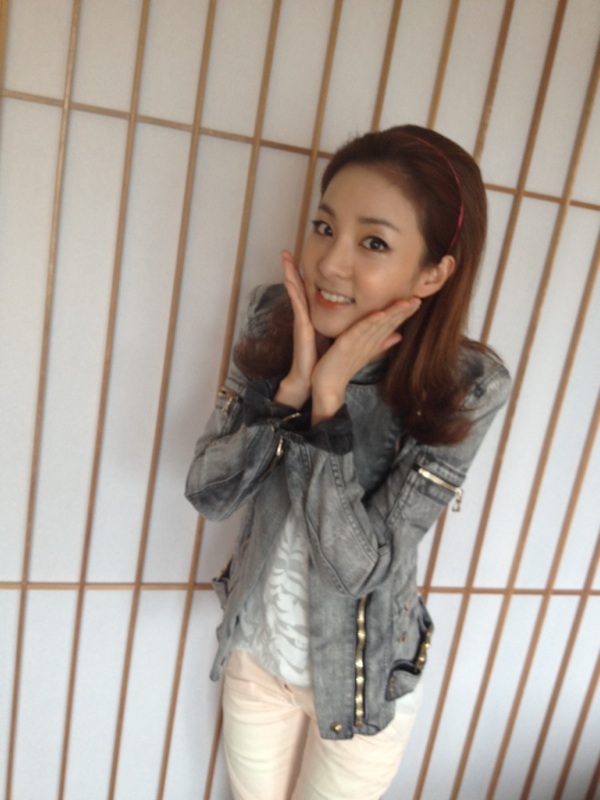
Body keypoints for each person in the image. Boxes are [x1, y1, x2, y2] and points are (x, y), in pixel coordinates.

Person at [185, 124, 511, 799]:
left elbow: (358, 569)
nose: (330, 263)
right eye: (324, 227)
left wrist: (328, 405)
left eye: (373, 243)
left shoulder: (465, 384)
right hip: (256, 657)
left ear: (433, 273)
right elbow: (209, 493)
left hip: (361, 685)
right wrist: (292, 392)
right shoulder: (274, 319)